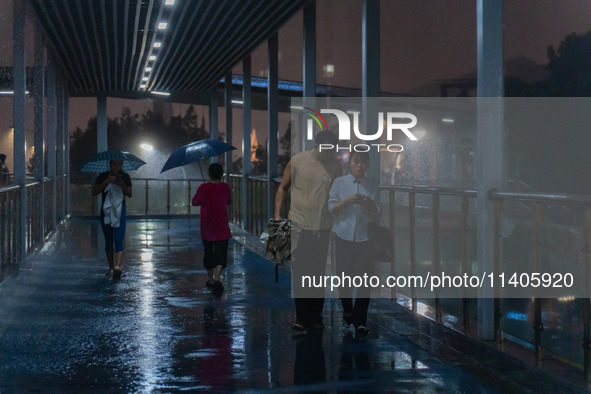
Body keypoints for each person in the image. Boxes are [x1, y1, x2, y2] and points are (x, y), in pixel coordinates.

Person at [274, 130, 342, 331]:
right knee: (301, 272)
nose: (330, 153)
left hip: (322, 227)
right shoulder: (297, 161)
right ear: (316, 146)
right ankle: (301, 317)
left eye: (332, 150)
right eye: (326, 149)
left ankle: (316, 316)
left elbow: (336, 195)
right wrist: (277, 215)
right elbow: (282, 188)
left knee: (318, 273)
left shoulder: (335, 166)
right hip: (298, 225)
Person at [328, 151, 378, 334]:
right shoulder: (339, 183)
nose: (360, 165)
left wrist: (370, 205)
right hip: (343, 235)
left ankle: (360, 320)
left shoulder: (373, 185)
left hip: (365, 236)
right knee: (344, 278)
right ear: (350, 163)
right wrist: (347, 201)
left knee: (366, 279)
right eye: (357, 161)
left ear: (368, 165)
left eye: (363, 162)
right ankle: (348, 308)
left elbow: (377, 211)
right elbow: (331, 207)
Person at [192, 163, 232, 293]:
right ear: (221, 175)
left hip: (207, 227)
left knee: (209, 253)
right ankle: (218, 276)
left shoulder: (203, 188)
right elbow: (228, 201)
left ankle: (210, 279)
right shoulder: (225, 187)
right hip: (222, 227)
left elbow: (194, 202)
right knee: (221, 253)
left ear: (209, 174)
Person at [92, 160, 132, 279]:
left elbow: (129, 193)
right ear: (110, 164)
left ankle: (117, 267)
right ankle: (111, 267)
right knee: (108, 239)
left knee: (119, 237)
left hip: (120, 210)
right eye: (114, 164)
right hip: (106, 210)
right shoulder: (103, 176)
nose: (116, 167)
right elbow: (95, 191)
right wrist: (107, 181)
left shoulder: (125, 176)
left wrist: (122, 185)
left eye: (119, 164)